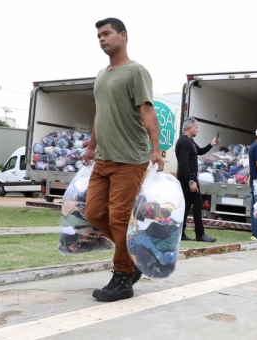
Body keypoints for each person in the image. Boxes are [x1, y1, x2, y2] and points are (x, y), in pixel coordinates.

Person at [82, 18, 164, 303]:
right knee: (93, 213)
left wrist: (157, 148)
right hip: (103, 159)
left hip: (130, 159)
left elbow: (147, 111)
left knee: (119, 219)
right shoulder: (101, 75)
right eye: (99, 36)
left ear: (123, 36)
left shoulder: (136, 71)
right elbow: (99, 115)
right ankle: (134, 257)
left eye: (106, 34)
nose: (102, 39)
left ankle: (123, 277)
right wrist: (91, 147)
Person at [175, 117, 218, 243]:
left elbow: (199, 151)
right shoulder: (184, 142)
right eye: (196, 127)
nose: (198, 130)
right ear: (189, 127)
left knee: (187, 205)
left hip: (190, 177)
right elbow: (183, 164)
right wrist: (191, 181)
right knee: (198, 203)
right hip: (188, 178)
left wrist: (211, 144)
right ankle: (200, 234)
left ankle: (180, 233)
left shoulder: (190, 141)